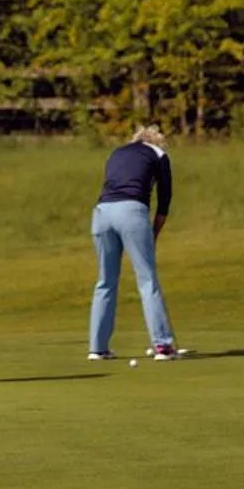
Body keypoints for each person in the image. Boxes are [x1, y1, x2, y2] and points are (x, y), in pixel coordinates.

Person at [88, 124, 180, 362]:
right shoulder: (159, 154)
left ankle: (97, 348)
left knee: (105, 281)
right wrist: (154, 234)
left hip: (101, 213)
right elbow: (164, 202)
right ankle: (163, 346)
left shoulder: (117, 152)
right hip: (131, 212)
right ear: (157, 141)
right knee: (147, 279)